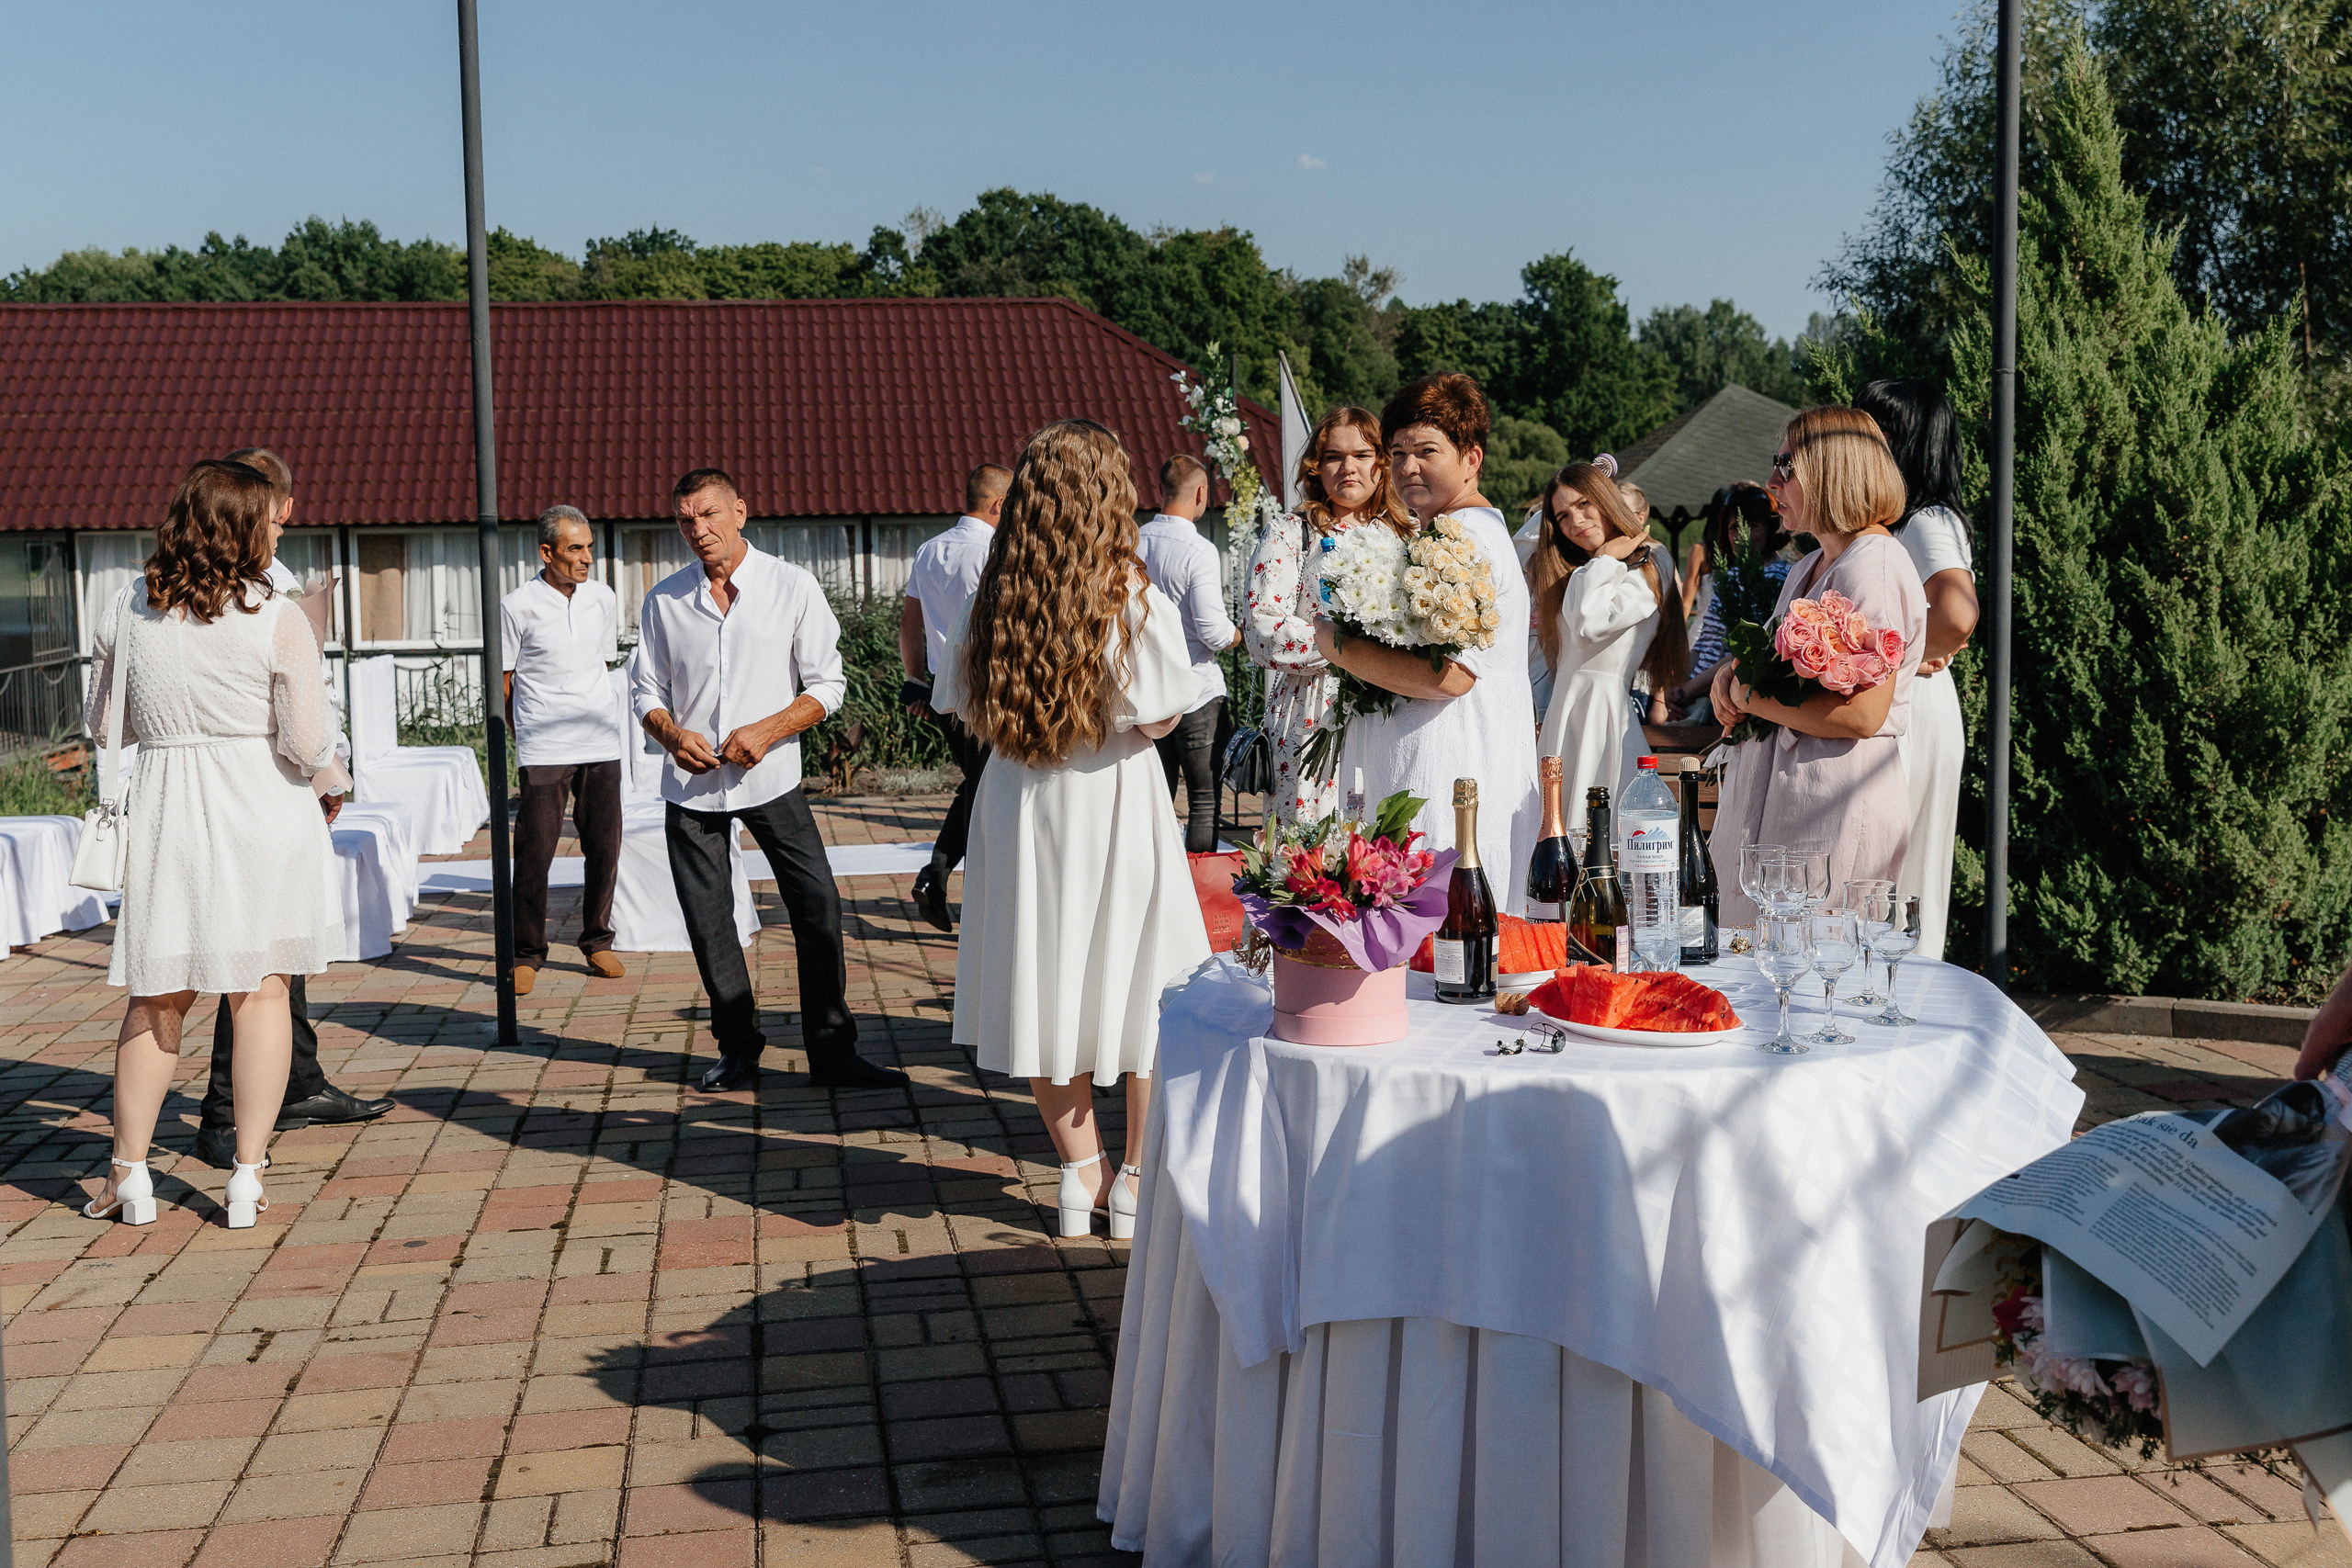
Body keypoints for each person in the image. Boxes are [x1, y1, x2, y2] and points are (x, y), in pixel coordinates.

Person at [937, 420, 1209, 1240]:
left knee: (1047, 981)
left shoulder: (997, 595)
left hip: (1022, 802)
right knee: (1146, 982)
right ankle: (1133, 1178)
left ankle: (1076, 1172)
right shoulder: (1128, 595)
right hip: (1114, 799)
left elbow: (960, 702)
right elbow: (1160, 717)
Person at [81, 460, 348, 1228]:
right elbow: (304, 741)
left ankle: (129, 1173)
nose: (282, 526)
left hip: (171, 810)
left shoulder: (128, 608)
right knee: (259, 990)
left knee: (159, 992)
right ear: (242, 528)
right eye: (272, 516)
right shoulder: (277, 616)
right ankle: (245, 1177)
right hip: (261, 807)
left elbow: (106, 725)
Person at [632, 468, 908, 1093]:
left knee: (817, 905)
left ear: (741, 512)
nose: (697, 529)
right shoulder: (664, 600)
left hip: (773, 778)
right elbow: (645, 689)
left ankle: (833, 1051)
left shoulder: (792, 586)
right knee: (710, 923)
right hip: (691, 787)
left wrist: (771, 729)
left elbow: (828, 685)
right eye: (685, 519)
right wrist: (672, 735)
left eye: (708, 514)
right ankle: (737, 1049)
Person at [188, 447, 390, 1172]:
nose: (276, 523)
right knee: (254, 963)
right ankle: (224, 1113)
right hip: (258, 787)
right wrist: (326, 775)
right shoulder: (248, 588)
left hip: (270, 781)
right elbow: (290, 719)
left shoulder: (262, 577)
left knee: (284, 951)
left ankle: (297, 1080)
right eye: (269, 511)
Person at [1319, 373, 1542, 908]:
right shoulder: (1442, 532)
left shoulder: (1464, 538)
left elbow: (1451, 677)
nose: (1407, 467)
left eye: (1426, 451)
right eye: (1396, 453)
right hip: (1435, 776)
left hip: (1449, 779)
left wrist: (1335, 645)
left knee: (1445, 958)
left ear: (1471, 459)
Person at [1711, 409, 1928, 928]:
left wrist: (1748, 698)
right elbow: (1773, 669)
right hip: (1795, 803)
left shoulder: (1872, 567)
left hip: (1834, 803)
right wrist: (1731, 673)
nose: (1771, 483)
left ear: (1833, 470)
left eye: (1787, 466)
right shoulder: (1813, 565)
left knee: (1817, 976)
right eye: (1774, 465)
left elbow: (1863, 714)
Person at [1855, 379, 1980, 962]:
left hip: (1914, 709)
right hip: (1915, 703)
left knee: (1899, 867)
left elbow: (1957, 611)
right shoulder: (1914, 521)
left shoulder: (1926, 522)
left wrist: (1894, 655)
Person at [1240, 405, 1411, 823]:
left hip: (1392, 706)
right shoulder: (1291, 531)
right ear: (1318, 466)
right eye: (1334, 456)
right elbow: (1262, 627)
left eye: (1361, 455)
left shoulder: (1409, 535)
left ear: (1382, 463)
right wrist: (1348, 647)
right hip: (1312, 708)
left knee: (1383, 842)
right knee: (1313, 852)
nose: (1348, 467)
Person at [502, 504, 626, 994]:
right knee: (534, 853)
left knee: (606, 847)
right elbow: (505, 680)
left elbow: (605, 664)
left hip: (600, 738)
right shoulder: (517, 605)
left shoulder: (602, 599)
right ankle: (527, 952)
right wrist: (523, 736)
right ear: (546, 552)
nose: (587, 558)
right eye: (576, 548)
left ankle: (597, 941)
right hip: (544, 744)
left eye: (590, 547)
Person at [1530, 462, 1688, 808]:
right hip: (1563, 712)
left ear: (1605, 499)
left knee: (1607, 835)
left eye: (1584, 504)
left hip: (1605, 714)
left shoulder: (1652, 558)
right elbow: (1524, 542)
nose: (1576, 522)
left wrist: (1604, 559)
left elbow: (1590, 626)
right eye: (1562, 516)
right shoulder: (1574, 567)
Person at [899, 463, 1009, 930]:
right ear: (1001, 505)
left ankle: (938, 875)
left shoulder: (928, 550)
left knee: (978, 787)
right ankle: (968, 886)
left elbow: (909, 625)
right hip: (991, 694)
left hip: (947, 696)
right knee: (992, 794)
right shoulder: (997, 552)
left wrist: (917, 682)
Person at [1136, 455, 1241, 853]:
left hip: (1147, 690)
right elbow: (1212, 631)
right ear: (1201, 493)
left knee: (1154, 799)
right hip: (1196, 690)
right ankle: (1198, 897)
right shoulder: (1199, 550)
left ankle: (1152, 890)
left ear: (1161, 490)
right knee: (1202, 798)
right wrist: (1239, 636)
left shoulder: (1132, 542)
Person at [1664, 482, 1790, 728]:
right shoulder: (1730, 576)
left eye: (1751, 525)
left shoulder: (1780, 578)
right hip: (1694, 692)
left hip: (1726, 699)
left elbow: (1745, 653)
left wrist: (1689, 690)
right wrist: (1675, 686)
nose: (1740, 535)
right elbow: (1704, 642)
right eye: (1733, 527)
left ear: (1771, 527)